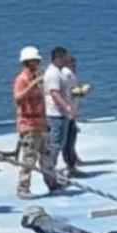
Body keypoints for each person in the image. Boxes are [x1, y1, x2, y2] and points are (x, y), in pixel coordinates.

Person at [14, 46, 59, 199]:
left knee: (47, 155)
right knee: (29, 158)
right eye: (35, 61)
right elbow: (18, 99)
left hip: (40, 123)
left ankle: (52, 183)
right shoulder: (21, 80)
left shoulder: (36, 78)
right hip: (29, 125)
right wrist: (32, 85)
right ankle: (23, 188)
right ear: (28, 62)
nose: (38, 63)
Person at [43, 47, 80, 176]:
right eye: (64, 57)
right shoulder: (53, 73)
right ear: (58, 58)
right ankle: (50, 171)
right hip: (56, 114)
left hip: (62, 114)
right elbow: (54, 93)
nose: (67, 60)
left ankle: (65, 167)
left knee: (64, 142)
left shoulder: (59, 72)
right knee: (56, 144)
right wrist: (68, 107)